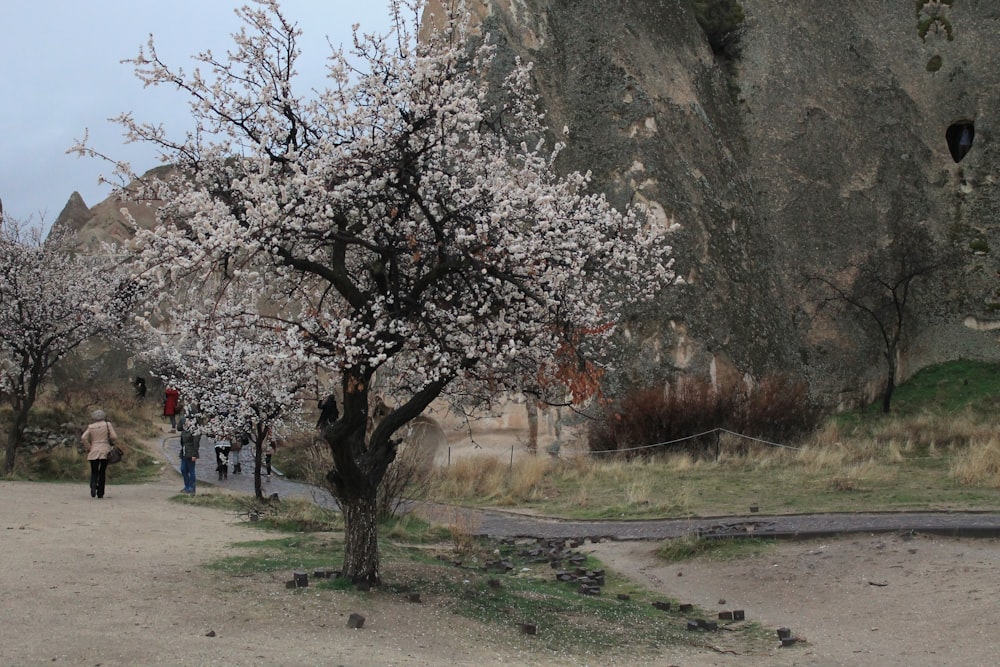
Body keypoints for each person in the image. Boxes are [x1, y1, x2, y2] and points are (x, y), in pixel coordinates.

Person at [81, 409, 118, 499]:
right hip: (105, 450)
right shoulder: (107, 424)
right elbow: (114, 436)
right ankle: (100, 492)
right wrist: (110, 441)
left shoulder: (91, 426)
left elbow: (83, 438)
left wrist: (89, 447)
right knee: (102, 471)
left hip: (94, 450)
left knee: (94, 471)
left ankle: (93, 485)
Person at [178, 415, 201, 494]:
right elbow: (182, 441)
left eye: (187, 420)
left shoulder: (195, 431)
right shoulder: (185, 430)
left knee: (191, 470)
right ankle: (187, 486)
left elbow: (196, 443)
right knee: (183, 469)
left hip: (191, 453)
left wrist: (194, 454)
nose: (186, 421)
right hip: (184, 452)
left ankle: (192, 488)